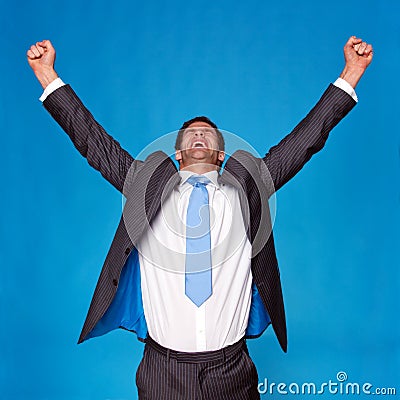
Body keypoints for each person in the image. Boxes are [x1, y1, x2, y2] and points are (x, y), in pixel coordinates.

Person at [27, 36, 373, 400]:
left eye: (207, 134)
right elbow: (92, 140)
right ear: (177, 154)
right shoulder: (143, 186)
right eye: (190, 134)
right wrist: (47, 75)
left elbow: (304, 141)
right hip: (163, 372)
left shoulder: (247, 189)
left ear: (222, 156)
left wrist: (351, 73)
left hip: (232, 371)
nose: (198, 136)